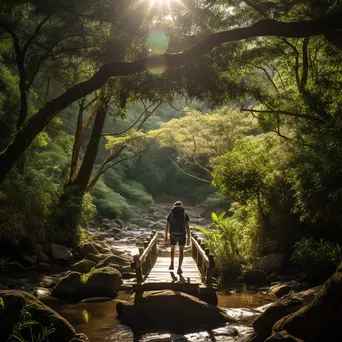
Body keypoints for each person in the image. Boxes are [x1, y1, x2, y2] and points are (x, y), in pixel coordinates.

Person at [164, 201, 190, 274]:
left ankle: (172, 264)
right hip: (182, 234)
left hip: (173, 234)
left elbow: (167, 226)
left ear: (174, 206)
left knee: (172, 249)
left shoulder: (171, 214)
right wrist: (189, 238)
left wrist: (166, 236)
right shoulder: (184, 214)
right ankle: (179, 268)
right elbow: (187, 227)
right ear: (181, 206)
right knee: (181, 251)